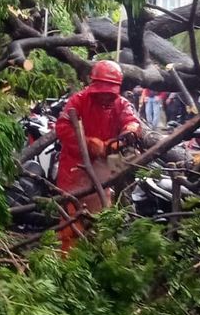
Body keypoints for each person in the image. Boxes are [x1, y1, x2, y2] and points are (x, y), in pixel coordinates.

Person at [54, 60, 142, 252]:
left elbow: (132, 122)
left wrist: (128, 133)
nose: (105, 96)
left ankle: (101, 254)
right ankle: (69, 264)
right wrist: (88, 143)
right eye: (102, 90)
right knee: (72, 218)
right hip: (75, 167)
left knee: (104, 214)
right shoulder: (78, 100)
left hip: (106, 166)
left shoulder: (121, 104)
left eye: (109, 91)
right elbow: (61, 128)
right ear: (93, 85)